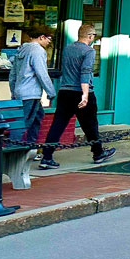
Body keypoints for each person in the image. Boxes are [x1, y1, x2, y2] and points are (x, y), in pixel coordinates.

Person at [40, 24, 114, 169]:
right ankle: (98, 153)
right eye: (93, 36)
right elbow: (85, 72)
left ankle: (46, 157)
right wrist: (85, 95)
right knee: (90, 125)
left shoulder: (68, 48)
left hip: (65, 91)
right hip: (80, 92)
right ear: (90, 36)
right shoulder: (89, 51)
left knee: (58, 124)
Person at [8, 27, 55, 147]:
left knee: (37, 117)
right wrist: (51, 92)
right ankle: (12, 151)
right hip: (31, 93)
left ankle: (31, 147)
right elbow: (42, 73)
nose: (49, 42)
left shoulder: (21, 50)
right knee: (22, 123)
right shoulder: (38, 51)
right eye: (49, 39)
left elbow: (13, 74)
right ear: (41, 37)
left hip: (20, 92)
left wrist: (14, 91)